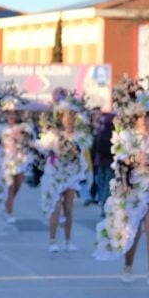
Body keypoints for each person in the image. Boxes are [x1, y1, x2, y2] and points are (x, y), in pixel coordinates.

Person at [94, 78, 149, 284]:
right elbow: (118, 161)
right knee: (133, 229)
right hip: (132, 188)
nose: (145, 121)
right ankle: (128, 266)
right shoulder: (125, 137)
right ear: (135, 118)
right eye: (141, 117)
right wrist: (133, 159)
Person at [37, 92, 93, 252]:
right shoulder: (54, 134)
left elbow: (81, 149)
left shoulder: (81, 135)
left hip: (72, 174)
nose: (70, 120)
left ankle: (68, 241)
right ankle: (52, 240)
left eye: (73, 117)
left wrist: (72, 149)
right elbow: (43, 145)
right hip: (55, 173)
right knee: (55, 206)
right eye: (67, 117)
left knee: (68, 208)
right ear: (61, 118)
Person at [0, 98, 38, 222]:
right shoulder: (1, 128)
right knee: (10, 186)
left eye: (14, 113)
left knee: (17, 185)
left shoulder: (23, 127)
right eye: (9, 113)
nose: (11, 116)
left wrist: (23, 139)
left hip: (20, 159)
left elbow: (30, 140)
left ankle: (7, 204)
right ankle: (9, 213)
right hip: (6, 160)